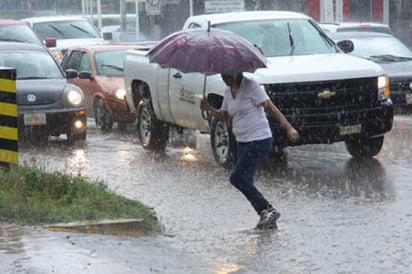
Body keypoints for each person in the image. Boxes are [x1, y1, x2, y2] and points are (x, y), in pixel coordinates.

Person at [200, 72, 299, 229]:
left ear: (237, 72)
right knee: (246, 180)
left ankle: (267, 209)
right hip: (242, 141)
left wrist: (289, 128)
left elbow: (271, 108)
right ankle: (267, 218)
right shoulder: (227, 91)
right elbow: (225, 116)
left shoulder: (251, 86)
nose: (226, 80)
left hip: (259, 139)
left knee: (237, 178)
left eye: (229, 76)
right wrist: (209, 109)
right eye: (223, 77)